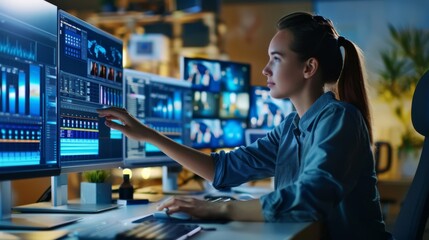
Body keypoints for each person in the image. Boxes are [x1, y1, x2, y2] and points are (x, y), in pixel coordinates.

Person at [97, 12, 391, 239]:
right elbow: (223, 170)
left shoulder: (341, 119)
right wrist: (147, 134)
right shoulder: (291, 127)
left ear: (308, 68)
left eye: (276, 59)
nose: (265, 69)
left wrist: (216, 209)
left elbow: (309, 199)